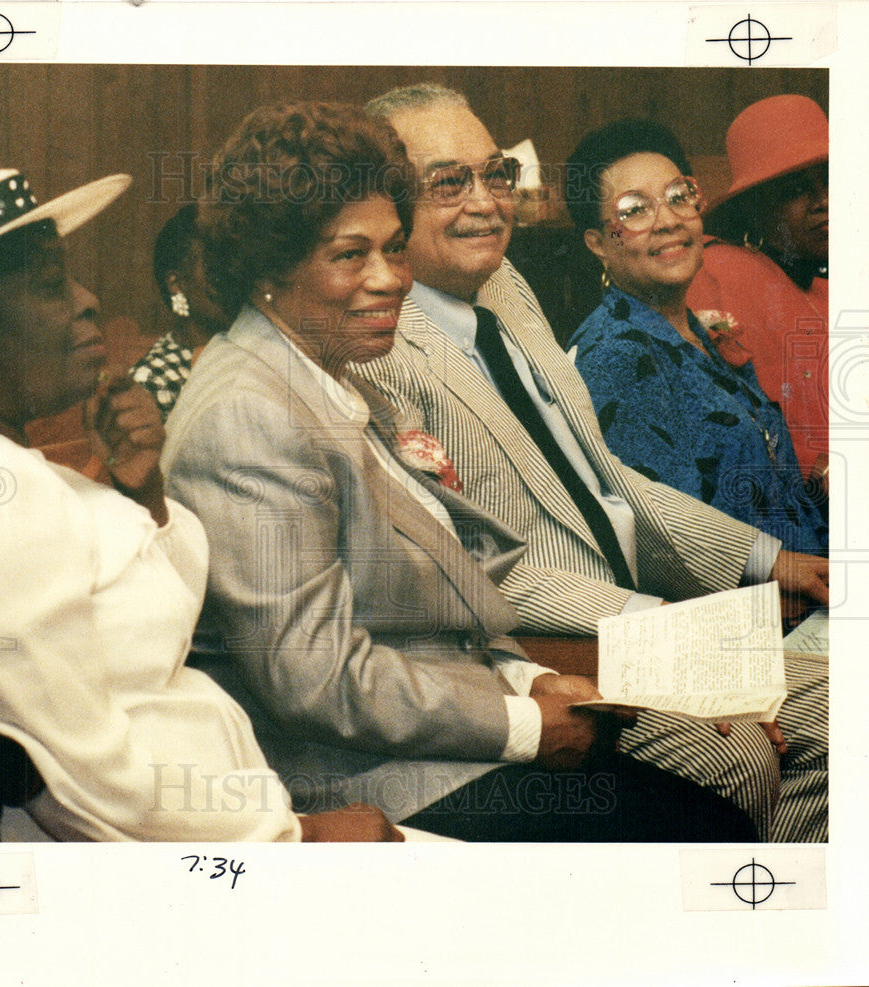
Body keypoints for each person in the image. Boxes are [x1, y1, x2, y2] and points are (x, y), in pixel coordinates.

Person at [162, 100, 757, 843]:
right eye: (352, 255)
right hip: (361, 779)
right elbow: (312, 679)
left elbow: (459, 584)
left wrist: (528, 677)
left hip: (451, 732)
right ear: (269, 269)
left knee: (717, 816)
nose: (392, 280)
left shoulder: (339, 372)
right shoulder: (247, 413)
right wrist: (522, 722)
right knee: (707, 835)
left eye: (394, 249)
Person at [355, 83, 827, 841]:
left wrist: (769, 559)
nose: (486, 203)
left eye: (496, 173)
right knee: (756, 754)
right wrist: (674, 635)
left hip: (637, 610)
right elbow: (476, 571)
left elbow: (601, 471)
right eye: (450, 182)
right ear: (383, 201)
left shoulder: (502, 284)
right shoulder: (378, 351)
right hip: (554, 647)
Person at [0, 167, 403, 843]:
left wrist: (144, 488)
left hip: (219, 820)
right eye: (49, 283)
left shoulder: (3, 468)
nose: (88, 300)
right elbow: (80, 770)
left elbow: (160, 618)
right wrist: (297, 837)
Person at [566, 118, 827, 557]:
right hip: (754, 610)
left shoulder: (697, 331)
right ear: (597, 242)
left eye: (678, 197)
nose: (667, 220)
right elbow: (668, 537)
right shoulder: (617, 355)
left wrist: (820, 487)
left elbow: (762, 500)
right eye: (634, 210)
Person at [687, 95, 828, 490]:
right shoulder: (717, 274)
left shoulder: (828, 281)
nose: (824, 202)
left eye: (830, 179)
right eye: (796, 189)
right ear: (752, 209)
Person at [130, 203, 226, 420]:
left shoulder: (241, 347)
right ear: (176, 284)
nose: (232, 276)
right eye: (215, 266)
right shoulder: (155, 382)